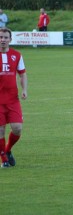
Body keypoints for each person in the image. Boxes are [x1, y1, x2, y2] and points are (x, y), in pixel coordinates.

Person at [0, 27, 28, 168]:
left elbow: (22, 74)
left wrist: (24, 89)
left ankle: (7, 149)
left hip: (12, 99)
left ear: (10, 39)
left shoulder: (16, 55)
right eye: (1, 37)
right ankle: (4, 159)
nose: (3, 40)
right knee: (0, 130)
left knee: (17, 128)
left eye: (5, 37)